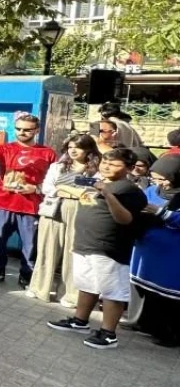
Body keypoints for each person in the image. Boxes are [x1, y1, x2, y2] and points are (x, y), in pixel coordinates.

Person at [47, 148, 149, 348]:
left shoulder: (129, 190)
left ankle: (109, 333)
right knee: (87, 285)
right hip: (85, 243)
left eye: (114, 164)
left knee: (112, 291)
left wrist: (108, 195)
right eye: (105, 162)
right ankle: (80, 321)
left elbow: (125, 219)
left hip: (109, 248)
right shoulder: (96, 181)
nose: (107, 166)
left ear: (128, 168)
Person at [0, 114, 58, 287]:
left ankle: (27, 275)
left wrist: (36, 188)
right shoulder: (4, 149)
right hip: (2, 204)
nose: (22, 132)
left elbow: (56, 181)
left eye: (27, 129)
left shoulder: (48, 153)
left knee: (30, 246)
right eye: (19, 129)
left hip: (31, 207)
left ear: (36, 130)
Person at [28, 134, 100, 305]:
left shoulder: (96, 170)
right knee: (47, 249)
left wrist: (64, 189)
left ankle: (70, 294)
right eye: (70, 147)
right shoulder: (57, 166)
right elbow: (47, 188)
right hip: (54, 209)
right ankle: (39, 287)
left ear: (89, 150)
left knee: (73, 252)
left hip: (81, 212)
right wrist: (71, 192)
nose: (73, 150)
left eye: (78, 147)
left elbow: (92, 195)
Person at [131, 155, 180, 347]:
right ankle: (146, 323)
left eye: (164, 179)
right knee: (148, 290)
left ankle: (170, 334)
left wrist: (161, 213)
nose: (160, 183)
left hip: (172, 254)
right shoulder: (152, 190)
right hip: (148, 248)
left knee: (168, 296)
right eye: (156, 178)